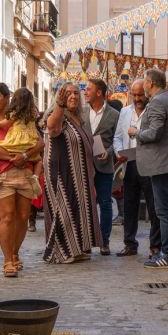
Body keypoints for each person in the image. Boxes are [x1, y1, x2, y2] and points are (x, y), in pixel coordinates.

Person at [0, 84, 43, 277]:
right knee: (7, 216)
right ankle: (7, 260)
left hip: (25, 173)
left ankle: (15, 253)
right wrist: (14, 158)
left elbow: (40, 143)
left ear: (7, 97)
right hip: (3, 174)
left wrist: (24, 156)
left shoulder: (22, 117)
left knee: (23, 217)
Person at [43, 82, 103, 263]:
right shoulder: (58, 114)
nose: (73, 96)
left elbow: (87, 142)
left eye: (76, 93)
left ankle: (76, 249)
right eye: (68, 93)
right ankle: (62, 252)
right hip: (61, 170)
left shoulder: (80, 118)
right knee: (64, 208)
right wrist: (60, 106)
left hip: (79, 172)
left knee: (78, 208)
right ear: (59, 97)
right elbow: (52, 128)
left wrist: (97, 156)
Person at [136, 69, 168, 269]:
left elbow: (154, 132)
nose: (143, 85)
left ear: (150, 83)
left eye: (144, 82)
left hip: (163, 164)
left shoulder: (157, 101)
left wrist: (136, 132)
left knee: (163, 210)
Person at [112, 79, 161, 257]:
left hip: (149, 163)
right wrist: (119, 152)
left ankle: (155, 245)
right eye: (134, 95)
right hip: (129, 163)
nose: (137, 98)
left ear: (147, 94)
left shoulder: (153, 110)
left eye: (141, 95)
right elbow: (118, 137)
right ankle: (130, 244)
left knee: (153, 206)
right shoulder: (125, 111)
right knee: (129, 206)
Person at [80, 78, 120, 256]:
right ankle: (86, 241)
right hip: (84, 165)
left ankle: (104, 241)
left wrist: (109, 152)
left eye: (88, 89)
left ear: (99, 92)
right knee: (85, 203)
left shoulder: (114, 115)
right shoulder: (81, 112)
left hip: (104, 165)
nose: (85, 92)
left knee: (105, 203)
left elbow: (117, 139)